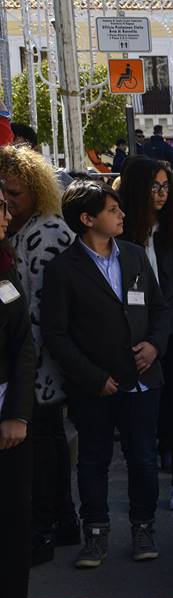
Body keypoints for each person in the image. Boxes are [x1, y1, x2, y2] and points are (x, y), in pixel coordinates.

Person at [42, 180, 170, 569]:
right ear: (87, 219)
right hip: (94, 387)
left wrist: (154, 345)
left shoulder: (133, 255)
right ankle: (94, 533)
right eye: (113, 210)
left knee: (144, 458)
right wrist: (93, 377)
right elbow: (56, 334)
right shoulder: (63, 269)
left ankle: (143, 527)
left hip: (142, 381)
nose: (122, 215)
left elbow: (160, 310)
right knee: (93, 460)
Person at [0, 145, 80, 566]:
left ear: (35, 191)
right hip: (31, 359)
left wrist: (22, 360)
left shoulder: (45, 232)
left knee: (43, 447)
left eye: (14, 193)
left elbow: (42, 308)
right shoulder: (19, 229)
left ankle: (46, 527)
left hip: (41, 362)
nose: (8, 201)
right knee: (46, 443)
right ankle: (63, 521)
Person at [119, 158, 173, 510]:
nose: (163, 194)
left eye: (167, 186)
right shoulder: (119, 234)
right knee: (141, 417)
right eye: (155, 186)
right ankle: (145, 487)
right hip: (133, 338)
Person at [0, 185, 39, 598]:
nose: (7, 216)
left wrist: (17, 414)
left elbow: (22, 347)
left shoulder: (6, 269)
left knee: (13, 519)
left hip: (8, 418)